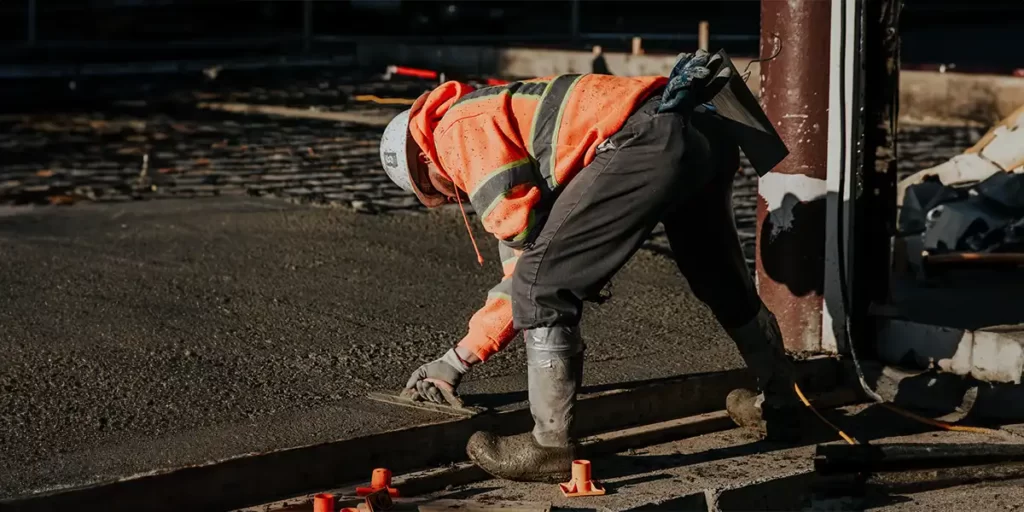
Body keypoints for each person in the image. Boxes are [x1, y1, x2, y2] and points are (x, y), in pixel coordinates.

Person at [377, 51, 803, 483]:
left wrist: (455, 361)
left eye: (434, 190)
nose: (450, 197)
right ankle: (782, 402)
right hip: (701, 128)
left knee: (541, 287)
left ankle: (549, 445)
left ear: (423, 161)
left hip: (647, 138)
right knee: (719, 279)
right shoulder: (496, 110)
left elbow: (528, 272)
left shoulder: (457, 135)